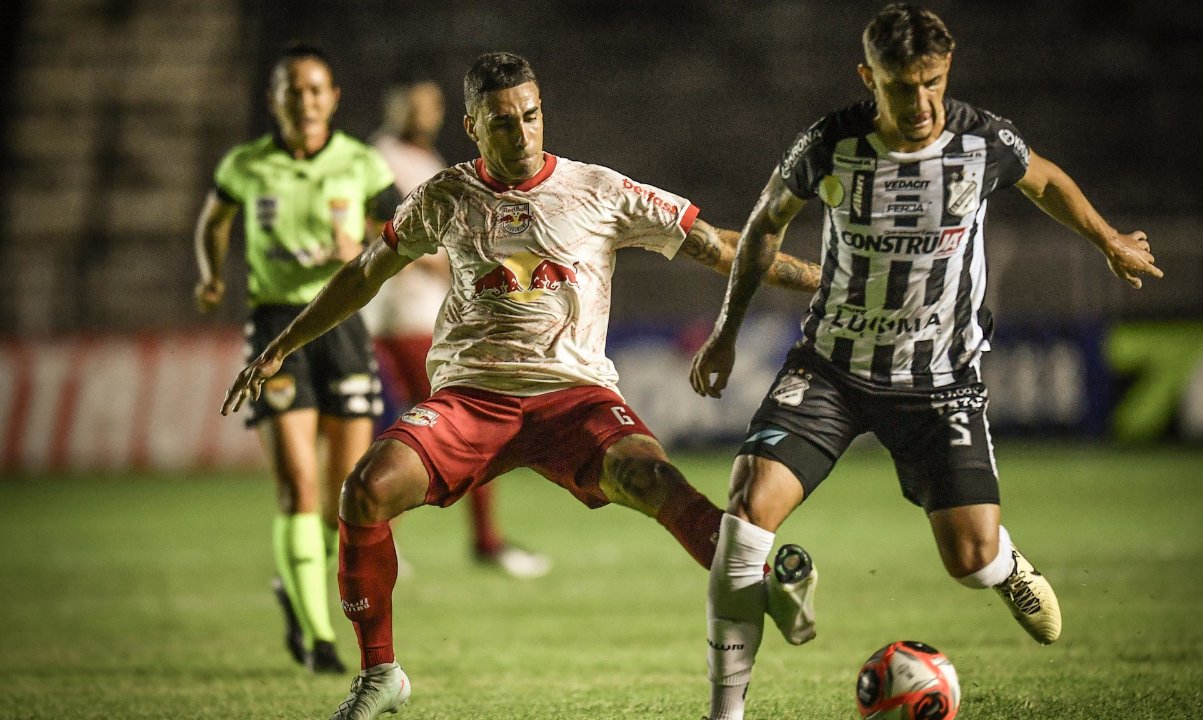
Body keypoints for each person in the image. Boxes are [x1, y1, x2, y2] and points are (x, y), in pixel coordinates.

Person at [221, 51, 824, 720]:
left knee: (658, 482)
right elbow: (366, 272)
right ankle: (380, 674)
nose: (522, 133)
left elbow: (718, 247)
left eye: (531, 117)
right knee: (364, 492)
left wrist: (819, 280)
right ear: (473, 125)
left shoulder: (598, 190)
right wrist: (283, 343)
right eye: (503, 122)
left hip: (575, 398)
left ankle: (769, 580)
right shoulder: (447, 195)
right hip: (470, 399)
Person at [689, 5, 1164, 719]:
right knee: (745, 520)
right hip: (831, 371)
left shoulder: (981, 140)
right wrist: (727, 331)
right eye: (900, 87)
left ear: (948, 72)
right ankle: (726, 714)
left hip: (940, 381)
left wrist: (1107, 240)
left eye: (933, 83)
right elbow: (763, 226)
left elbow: (1045, 180)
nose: (921, 103)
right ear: (867, 78)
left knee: (968, 561)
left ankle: (1003, 566)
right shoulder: (829, 143)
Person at [194, 43, 401, 675]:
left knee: (346, 496)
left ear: (333, 98)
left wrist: (361, 241)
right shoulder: (245, 164)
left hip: (341, 326)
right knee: (296, 487)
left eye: (316, 90)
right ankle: (317, 639)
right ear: (276, 99)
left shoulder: (361, 163)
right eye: (293, 90)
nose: (305, 101)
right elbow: (213, 221)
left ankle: (298, 586)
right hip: (276, 326)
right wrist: (210, 276)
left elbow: (407, 233)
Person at [364, 80, 551, 579]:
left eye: (431, 103)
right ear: (395, 104)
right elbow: (381, 228)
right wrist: (451, 265)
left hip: (429, 316)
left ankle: (395, 538)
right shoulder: (381, 157)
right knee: (461, 425)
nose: (424, 111)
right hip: (405, 316)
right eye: (414, 101)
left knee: (429, 427)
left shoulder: (423, 159)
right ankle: (471, 542)